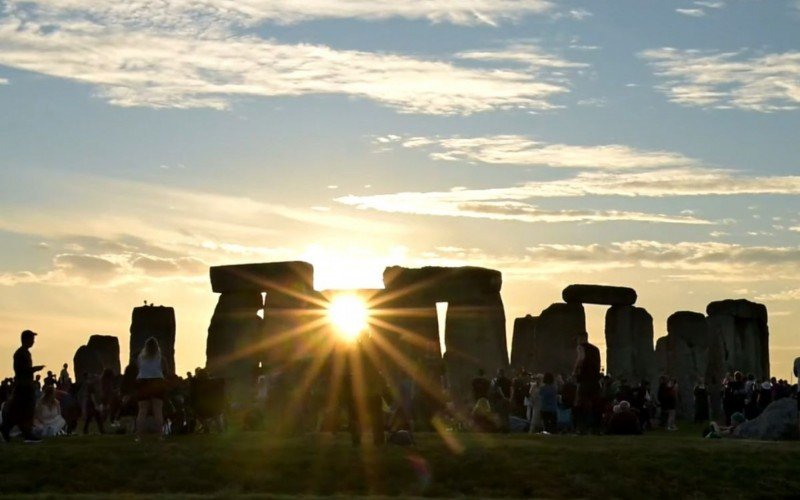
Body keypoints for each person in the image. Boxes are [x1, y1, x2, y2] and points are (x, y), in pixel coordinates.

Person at [1, 330, 45, 443]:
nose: (33, 342)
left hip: (26, 385)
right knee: (24, 410)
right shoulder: (20, 353)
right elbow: (21, 370)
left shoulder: (25, 353)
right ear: (25, 340)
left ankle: (19, 431)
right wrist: (35, 369)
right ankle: (24, 432)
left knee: (20, 411)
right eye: (32, 339)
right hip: (23, 386)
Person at [135, 337, 167, 441]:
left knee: (142, 411)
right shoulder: (161, 358)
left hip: (143, 382)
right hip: (157, 381)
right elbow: (165, 370)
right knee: (158, 410)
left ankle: (139, 436)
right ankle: (160, 436)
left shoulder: (140, 357)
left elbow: (139, 369)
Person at [573, 332, 601, 434]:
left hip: (584, 380)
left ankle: (581, 429)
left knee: (580, 405)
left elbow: (581, 358)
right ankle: (596, 429)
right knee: (595, 406)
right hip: (595, 381)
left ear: (582, 338)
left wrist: (575, 370)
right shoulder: (596, 349)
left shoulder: (581, 347)